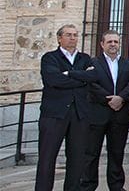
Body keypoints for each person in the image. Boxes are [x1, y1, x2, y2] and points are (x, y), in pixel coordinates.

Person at [35, 24, 95, 191]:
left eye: (75, 35)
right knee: (47, 158)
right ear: (59, 38)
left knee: (77, 159)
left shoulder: (84, 58)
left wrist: (70, 74)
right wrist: (81, 79)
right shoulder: (50, 58)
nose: (72, 38)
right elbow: (53, 80)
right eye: (68, 35)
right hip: (54, 114)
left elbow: (93, 77)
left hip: (79, 114)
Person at [81, 30, 129, 191]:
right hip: (97, 113)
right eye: (110, 41)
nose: (113, 44)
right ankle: (88, 185)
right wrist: (109, 99)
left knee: (117, 153)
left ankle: (116, 186)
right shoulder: (92, 63)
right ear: (102, 44)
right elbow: (91, 84)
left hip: (120, 113)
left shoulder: (128, 64)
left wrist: (121, 98)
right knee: (91, 153)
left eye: (116, 42)